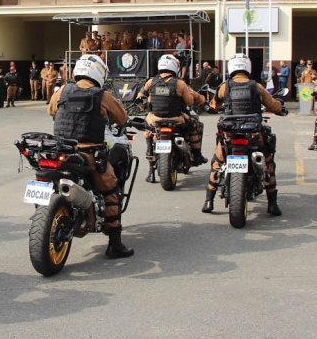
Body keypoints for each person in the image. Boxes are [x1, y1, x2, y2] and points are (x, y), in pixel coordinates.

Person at [48, 54, 133, 259]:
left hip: (61, 152)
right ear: (98, 74)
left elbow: (52, 112)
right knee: (111, 190)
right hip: (89, 155)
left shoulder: (62, 91)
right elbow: (121, 118)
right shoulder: (102, 96)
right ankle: (115, 243)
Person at [204, 54, 287, 215]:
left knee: (217, 162)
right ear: (247, 68)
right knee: (268, 162)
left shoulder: (224, 86)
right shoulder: (256, 86)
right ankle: (272, 204)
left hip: (230, 134)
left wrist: (212, 107)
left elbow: (214, 106)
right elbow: (274, 106)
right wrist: (281, 106)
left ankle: (209, 201)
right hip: (253, 134)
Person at [135, 54, 207, 182]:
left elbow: (140, 98)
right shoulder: (179, 83)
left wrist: (146, 106)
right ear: (175, 67)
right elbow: (189, 101)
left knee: (149, 134)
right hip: (176, 118)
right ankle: (197, 155)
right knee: (194, 125)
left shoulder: (151, 82)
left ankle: (151, 170)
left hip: (155, 119)